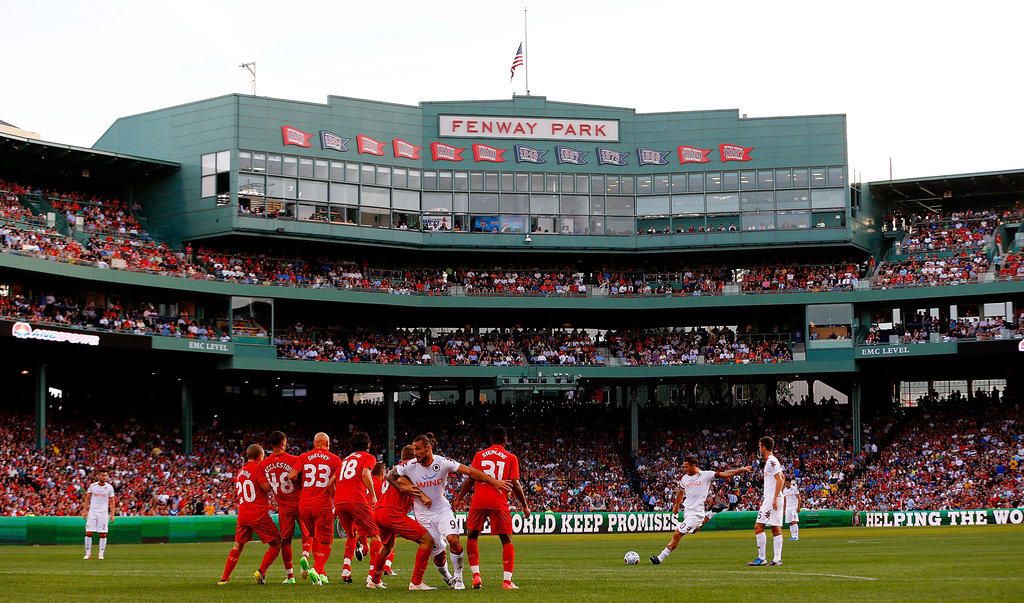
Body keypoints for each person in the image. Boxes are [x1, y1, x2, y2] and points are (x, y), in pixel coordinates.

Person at [389, 432, 511, 590]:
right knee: (438, 555)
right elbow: (389, 476)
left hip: (442, 509)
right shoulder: (409, 465)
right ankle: (447, 576)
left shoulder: (443, 462)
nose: (415, 453)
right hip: (423, 515)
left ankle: (458, 577)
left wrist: (494, 481)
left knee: (453, 540)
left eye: (418, 449)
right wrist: (405, 488)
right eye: (414, 450)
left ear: (428, 448)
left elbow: (471, 472)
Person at [453, 426, 530, 590]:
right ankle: (507, 582)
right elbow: (515, 483)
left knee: (472, 536)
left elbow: (470, 479)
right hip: (498, 500)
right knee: (506, 540)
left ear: (491, 439)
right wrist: (524, 506)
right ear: (506, 439)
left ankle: (476, 577)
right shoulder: (510, 457)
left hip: (479, 499)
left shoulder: (479, 455)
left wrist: (459, 498)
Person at [650, 456, 751, 565]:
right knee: (693, 531)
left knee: (678, 533)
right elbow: (680, 492)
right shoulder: (685, 478)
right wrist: (676, 506)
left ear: (694, 465)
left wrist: (741, 470)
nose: (684, 469)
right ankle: (712, 513)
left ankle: (660, 558)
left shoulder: (706, 475)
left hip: (696, 513)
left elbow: (724, 474)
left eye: (686, 467)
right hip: (687, 511)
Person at [371, 445, 437, 590]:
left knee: (387, 547)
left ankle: (374, 580)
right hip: (392, 512)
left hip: (380, 511)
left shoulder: (396, 469)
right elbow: (401, 482)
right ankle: (416, 582)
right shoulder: (409, 468)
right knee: (427, 540)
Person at [218, 444, 282, 585]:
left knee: (237, 546)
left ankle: (224, 579)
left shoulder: (240, 472)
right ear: (260, 456)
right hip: (258, 514)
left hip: (243, 514)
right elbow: (266, 487)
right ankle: (261, 571)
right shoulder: (259, 467)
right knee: (276, 544)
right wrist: (274, 480)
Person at [288, 432, 342, 585]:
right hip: (322, 504)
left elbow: (291, 475)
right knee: (326, 541)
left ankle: (322, 574)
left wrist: (303, 486)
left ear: (314, 443)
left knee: (315, 537)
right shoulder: (335, 459)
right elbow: (334, 483)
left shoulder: (304, 457)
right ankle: (317, 569)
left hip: (304, 505)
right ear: (326, 443)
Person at [333, 432, 381, 588]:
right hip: (356, 500)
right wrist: (373, 495)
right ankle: (372, 577)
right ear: (368, 445)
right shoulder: (368, 457)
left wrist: (336, 499)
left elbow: (331, 482)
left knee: (351, 535)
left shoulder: (344, 460)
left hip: (339, 502)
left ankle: (346, 570)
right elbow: (366, 473)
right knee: (376, 536)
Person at [260, 431, 308, 583]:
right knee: (308, 535)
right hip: (300, 503)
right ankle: (306, 556)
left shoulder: (263, 464)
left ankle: (290, 577)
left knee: (286, 541)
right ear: (283, 443)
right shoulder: (295, 459)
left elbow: (266, 487)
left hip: (284, 508)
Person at [749, 436, 785, 567]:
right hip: (775, 498)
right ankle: (776, 559)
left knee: (758, 526)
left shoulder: (771, 461)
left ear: (763, 447)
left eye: (759, 447)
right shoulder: (774, 461)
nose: (759, 449)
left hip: (772, 499)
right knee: (775, 528)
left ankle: (761, 558)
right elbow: (782, 477)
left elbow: (780, 480)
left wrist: (774, 498)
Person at [82, 470, 116, 560]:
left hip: (103, 513)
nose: (104, 477)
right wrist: (85, 511)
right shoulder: (93, 486)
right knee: (88, 532)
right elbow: (87, 499)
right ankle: (88, 553)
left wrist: (112, 514)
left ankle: (101, 553)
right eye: (102, 475)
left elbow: (112, 501)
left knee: (103, 534)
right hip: (92, 512)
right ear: (98, 476)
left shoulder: (109, 488)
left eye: (106, 475)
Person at [370, 462, 397, 576]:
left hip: (364, 512)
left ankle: (347, 567)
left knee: (359, 537)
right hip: (381, 512)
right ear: (382, 472)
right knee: (389, 541)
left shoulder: (367, 480)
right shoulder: (383, 483)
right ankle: (385, 566)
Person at [782, 476, 801, 541]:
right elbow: (785, 500)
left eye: (787, 483)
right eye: (785, 483)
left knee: (794, 521)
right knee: (790, 522)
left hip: (794, 506)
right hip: (788, 507)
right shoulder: (784, 490)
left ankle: (796, 536)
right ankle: (792, 536)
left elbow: (799, 498)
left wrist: (798, 507)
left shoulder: (794, 489)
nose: (786, 484)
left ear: (790, 483)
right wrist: (784, 509)